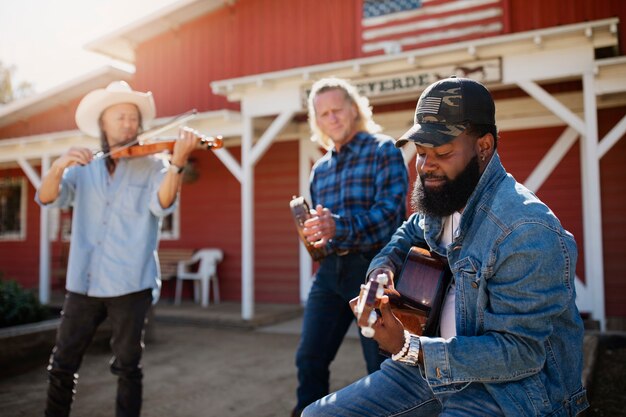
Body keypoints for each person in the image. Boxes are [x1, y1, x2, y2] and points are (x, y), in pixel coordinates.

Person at [302, 76, 590, 416]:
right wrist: (383, 270)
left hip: (509, 392)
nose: (426, 166)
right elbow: (406, 233)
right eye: (421, 153)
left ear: (483, 147)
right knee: (317, 414)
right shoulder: (445, 200)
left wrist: (412, 348)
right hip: (430, 373)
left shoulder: (525, 229)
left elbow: (521, 352)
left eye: (442, 152)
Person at [37, 81, 199, 417]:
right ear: (103, 124)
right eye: (120, 117)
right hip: (83, 282)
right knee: (62, 365)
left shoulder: (154, 164)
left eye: (132, 118)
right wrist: (58, 166)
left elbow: (162, 204)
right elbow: (48, 197)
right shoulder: (83, 166)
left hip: (130, 283)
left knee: (128, 368)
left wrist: (177, 165)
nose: (128, 124)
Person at [292, 77, 409, 416]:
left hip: (373, 270)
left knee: (381, 365)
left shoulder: (383, 149)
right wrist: (315, 233)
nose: (331, 118)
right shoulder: (321, 170)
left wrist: (337, 225)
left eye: (337, 110)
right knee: (309, 358)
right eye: (323, 113)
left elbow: (389, 218)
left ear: (354, 109)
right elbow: (327, 231)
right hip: (330, 272)